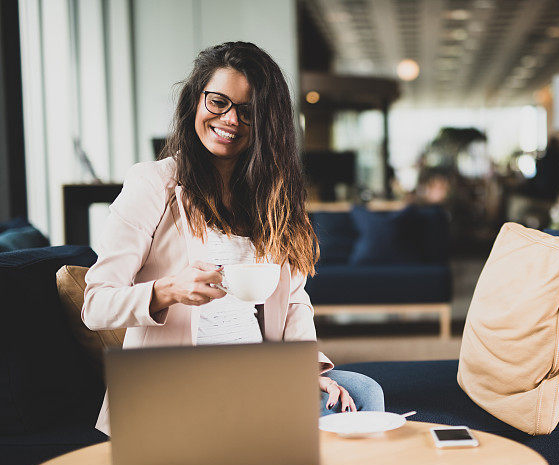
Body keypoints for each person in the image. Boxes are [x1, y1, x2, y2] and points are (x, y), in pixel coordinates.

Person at [82, 42, 384, 436]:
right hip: (181, 382)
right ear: (196, 100)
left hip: (256, 372)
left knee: (363, 393)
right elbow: (96, 305)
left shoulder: (272, 195)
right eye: (218, 102)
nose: (229, 119)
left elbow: (293, 299)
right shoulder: (154, 183)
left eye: (248, 112)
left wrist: (306, 370)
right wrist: (167, 290)